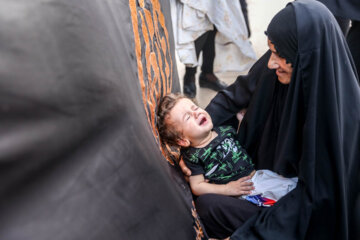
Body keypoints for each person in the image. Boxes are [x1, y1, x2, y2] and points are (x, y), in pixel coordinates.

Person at [178, 0, 360, 239]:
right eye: (270, 51)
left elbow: (315, 203)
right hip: (261, 179)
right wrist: (193, 135)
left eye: (277, 54)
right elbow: (233, 97)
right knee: (209, 206)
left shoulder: (336, 117)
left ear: (302, 56)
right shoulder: (281, 60)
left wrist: (254, 232)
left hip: (299, 210)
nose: (271, 63)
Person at [157, 94, 298, 207]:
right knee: (281, 205)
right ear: (183, 141)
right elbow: (197, 186)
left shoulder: (224, 130)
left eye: (195, 108)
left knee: (292, 187)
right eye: (187, 117)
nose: (196, 113)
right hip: (244, 192)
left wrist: (242, 121)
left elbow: (241, 143)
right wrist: (227, 189)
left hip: (259, 175)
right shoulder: (193, 156)